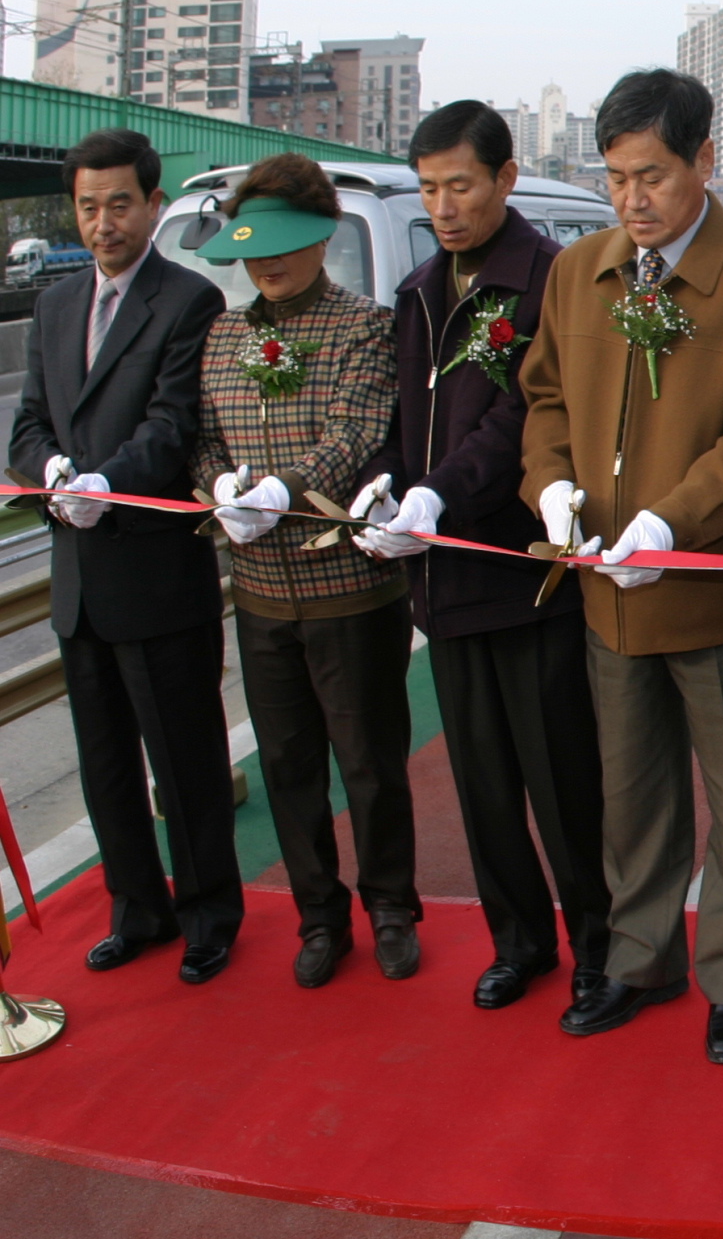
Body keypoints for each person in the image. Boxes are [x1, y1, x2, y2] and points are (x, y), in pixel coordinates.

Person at [521, 68, 723, 1065]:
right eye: (614, 179)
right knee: (632, 796)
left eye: (652, 175)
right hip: (606, 594)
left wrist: (669, 523)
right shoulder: (580, 273)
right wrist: (550, 489)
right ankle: (642, 960)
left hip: (714, 592)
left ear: (705, 160)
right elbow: (546, 399)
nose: (632, 199)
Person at [348, 101, 610, 1012]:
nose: (444, 206)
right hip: (443, 581)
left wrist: (438, 493)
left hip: (524, 574)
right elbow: (400, 421)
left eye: (460, 185)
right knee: (484, 783)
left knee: (563, 779)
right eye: (429, 189)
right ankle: (518, 940)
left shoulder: (546, 278)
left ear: (505, 177)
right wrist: (387, 486)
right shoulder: (421, 289)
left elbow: (522, 422)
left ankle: (598, 944)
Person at [190, 153, 418, 989]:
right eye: (253, 247)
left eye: (283, 243)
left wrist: (284, 489)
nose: (267, 262)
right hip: (258, 594)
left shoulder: (364, 326)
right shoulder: (221, 337)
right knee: (288, 766)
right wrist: (219, 485)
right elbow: (203, 437)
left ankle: (390, 904)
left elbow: (357, 432)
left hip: (349, 593)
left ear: (321, 237)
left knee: (369, 762)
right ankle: (319, 914)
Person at [11, 129, 233, 984]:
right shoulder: (56, 306)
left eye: (118, 204)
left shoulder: (188, 301)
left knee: (185, 760)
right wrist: (51, 471)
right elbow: (30, 423)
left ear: (152, 204)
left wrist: (106, 480)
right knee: (104, 764)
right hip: (79, 582)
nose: (102, 223)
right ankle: (137, 907)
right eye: (87, 206)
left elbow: (174, 426)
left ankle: (209, 913)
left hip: (155, 574)